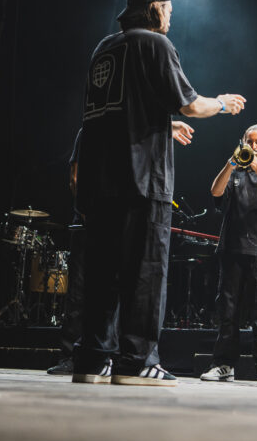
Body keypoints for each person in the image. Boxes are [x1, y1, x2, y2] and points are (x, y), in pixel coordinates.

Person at [73, 0, 245, 387]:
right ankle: (136, 362)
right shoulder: (155, 45)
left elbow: (118, 111)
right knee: (145, 273)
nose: (171, 17)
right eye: (168, 9)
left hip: (99, 184)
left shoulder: (104, 48)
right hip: (141, 181)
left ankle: (93, 360)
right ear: (154, 8)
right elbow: (189, 102)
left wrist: (162, 126)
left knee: (101, 277)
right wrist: (222, 103)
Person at [48, 120, 195, 376]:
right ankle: (72, 357)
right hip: (89, 220)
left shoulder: (123, 134)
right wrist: (87, 213)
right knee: (82, 292)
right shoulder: (90, 131)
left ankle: (104, 358)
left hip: (111, 221)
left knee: (112, 290)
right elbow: (76, 174)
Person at [201, 124, 257, 385]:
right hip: (232, 250)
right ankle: (223, 364)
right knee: (227, 311)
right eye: (249, 141)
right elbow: (215, 192)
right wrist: (231, 163)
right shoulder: (235, 173)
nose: (253, 146)